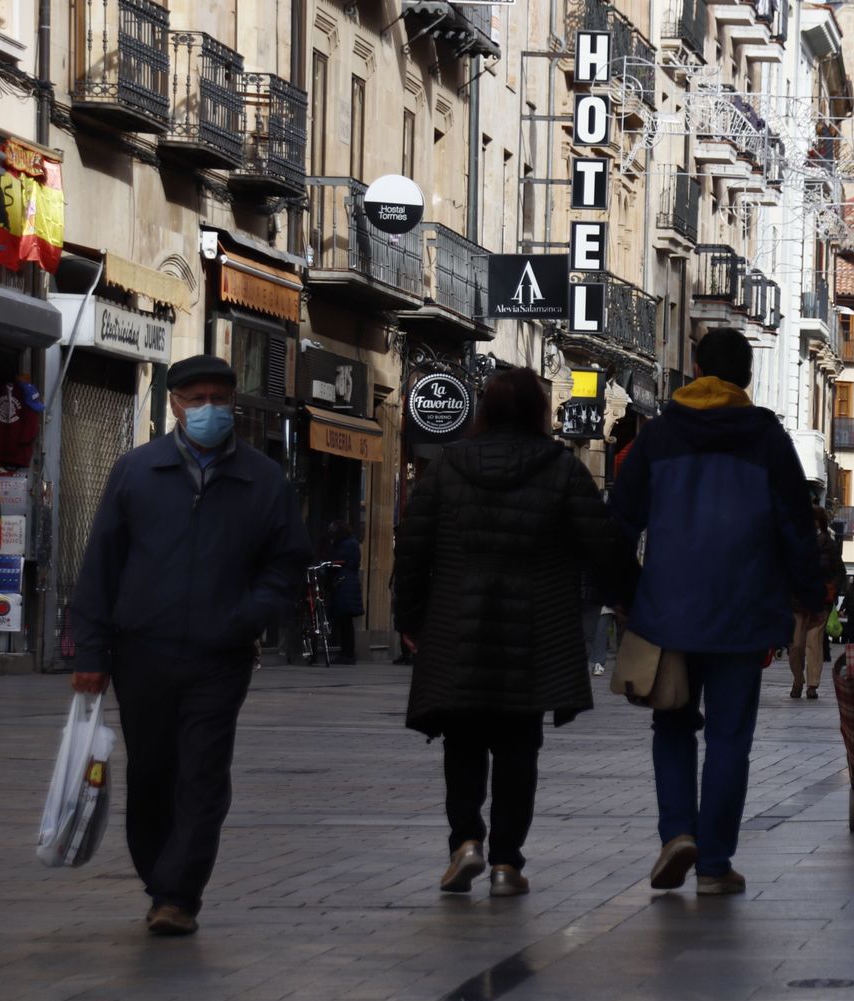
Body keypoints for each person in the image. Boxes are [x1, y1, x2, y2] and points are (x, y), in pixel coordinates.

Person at [70, 354, 310, 936]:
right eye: (196, 399)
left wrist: (247, 617)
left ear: (234, 403)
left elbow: (286, 565)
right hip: (142, 650)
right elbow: (100, 566)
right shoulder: (136, 471)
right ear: (174, 404)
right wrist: (92, 653)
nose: (208, 409)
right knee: (152, 771)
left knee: (203, 771)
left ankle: (178, 894)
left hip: (220, 654)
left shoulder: (263, 479)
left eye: (219, 399)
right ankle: (159, 879)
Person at [394, 368, 635, 898]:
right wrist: (628, 598)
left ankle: (465, 842)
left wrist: (409, 618)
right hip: (534, 629)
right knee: (518, 747)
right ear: (538, 413)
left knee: (462, 740)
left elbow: (412, 546)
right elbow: (604, 544)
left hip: (457, 624)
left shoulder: (447, 466)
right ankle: (506, 863)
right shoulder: (562, 468)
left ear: (484, 410)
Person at [609, 328, 826, 895]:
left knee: (672, 722)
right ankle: (713, 865)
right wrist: (810, 596)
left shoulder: (660, 435)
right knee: (730, 738)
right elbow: (796, 526)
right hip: (744, 609)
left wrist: (627, 592)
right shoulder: (767, 438)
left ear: (697, 368)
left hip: (668, 609)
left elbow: (620, 520)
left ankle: (678, 832)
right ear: (746, 377)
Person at [788, 506, 844, 698]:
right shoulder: (794, 541)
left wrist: (832, 588)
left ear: (821, 522)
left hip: (820, 602)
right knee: (796, 646)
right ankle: (798, 680)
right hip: (797, 602)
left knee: (814, 643)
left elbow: (840, 572)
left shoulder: (829, 545)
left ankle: (812, 685)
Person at [323, 519, 362, 665]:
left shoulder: (347, 545)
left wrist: (330, 565)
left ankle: (347, 653)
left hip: (344, 585)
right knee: (345, 622)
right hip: (347, 584)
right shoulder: (350, 543)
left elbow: (342, 561)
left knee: (345, 622)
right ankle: (346, 652)